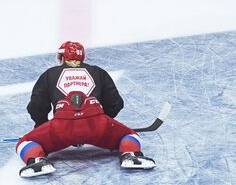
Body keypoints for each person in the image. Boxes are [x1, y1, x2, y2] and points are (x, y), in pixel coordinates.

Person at [15, 41, 155, 178]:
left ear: (62, 57)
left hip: (61, 126)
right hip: (96, 122)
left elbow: (36, 106)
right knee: (131, 135)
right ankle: (131, 155)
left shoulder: (50, 73)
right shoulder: (98, 72)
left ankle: (37, 161)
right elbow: (115, 103)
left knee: (25, 142)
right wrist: (103, 123)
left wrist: (42, 127)